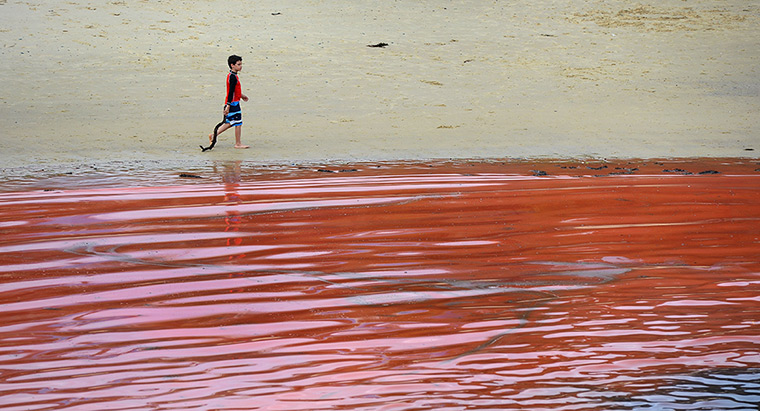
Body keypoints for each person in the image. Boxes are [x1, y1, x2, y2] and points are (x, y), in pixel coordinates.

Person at [208, 55, 250, 149]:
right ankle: (238, 144)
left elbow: (235, 90)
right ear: (232, 65)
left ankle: (213, 135)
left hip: (234, 101)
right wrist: (228, 105)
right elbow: (231, 92)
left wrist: (242, 96)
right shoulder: (232, 77)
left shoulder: (233, 76)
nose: (241, 66)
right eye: (238, 64)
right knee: (238, 123)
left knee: (231, 122)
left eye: (241, 64)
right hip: (233, 103)